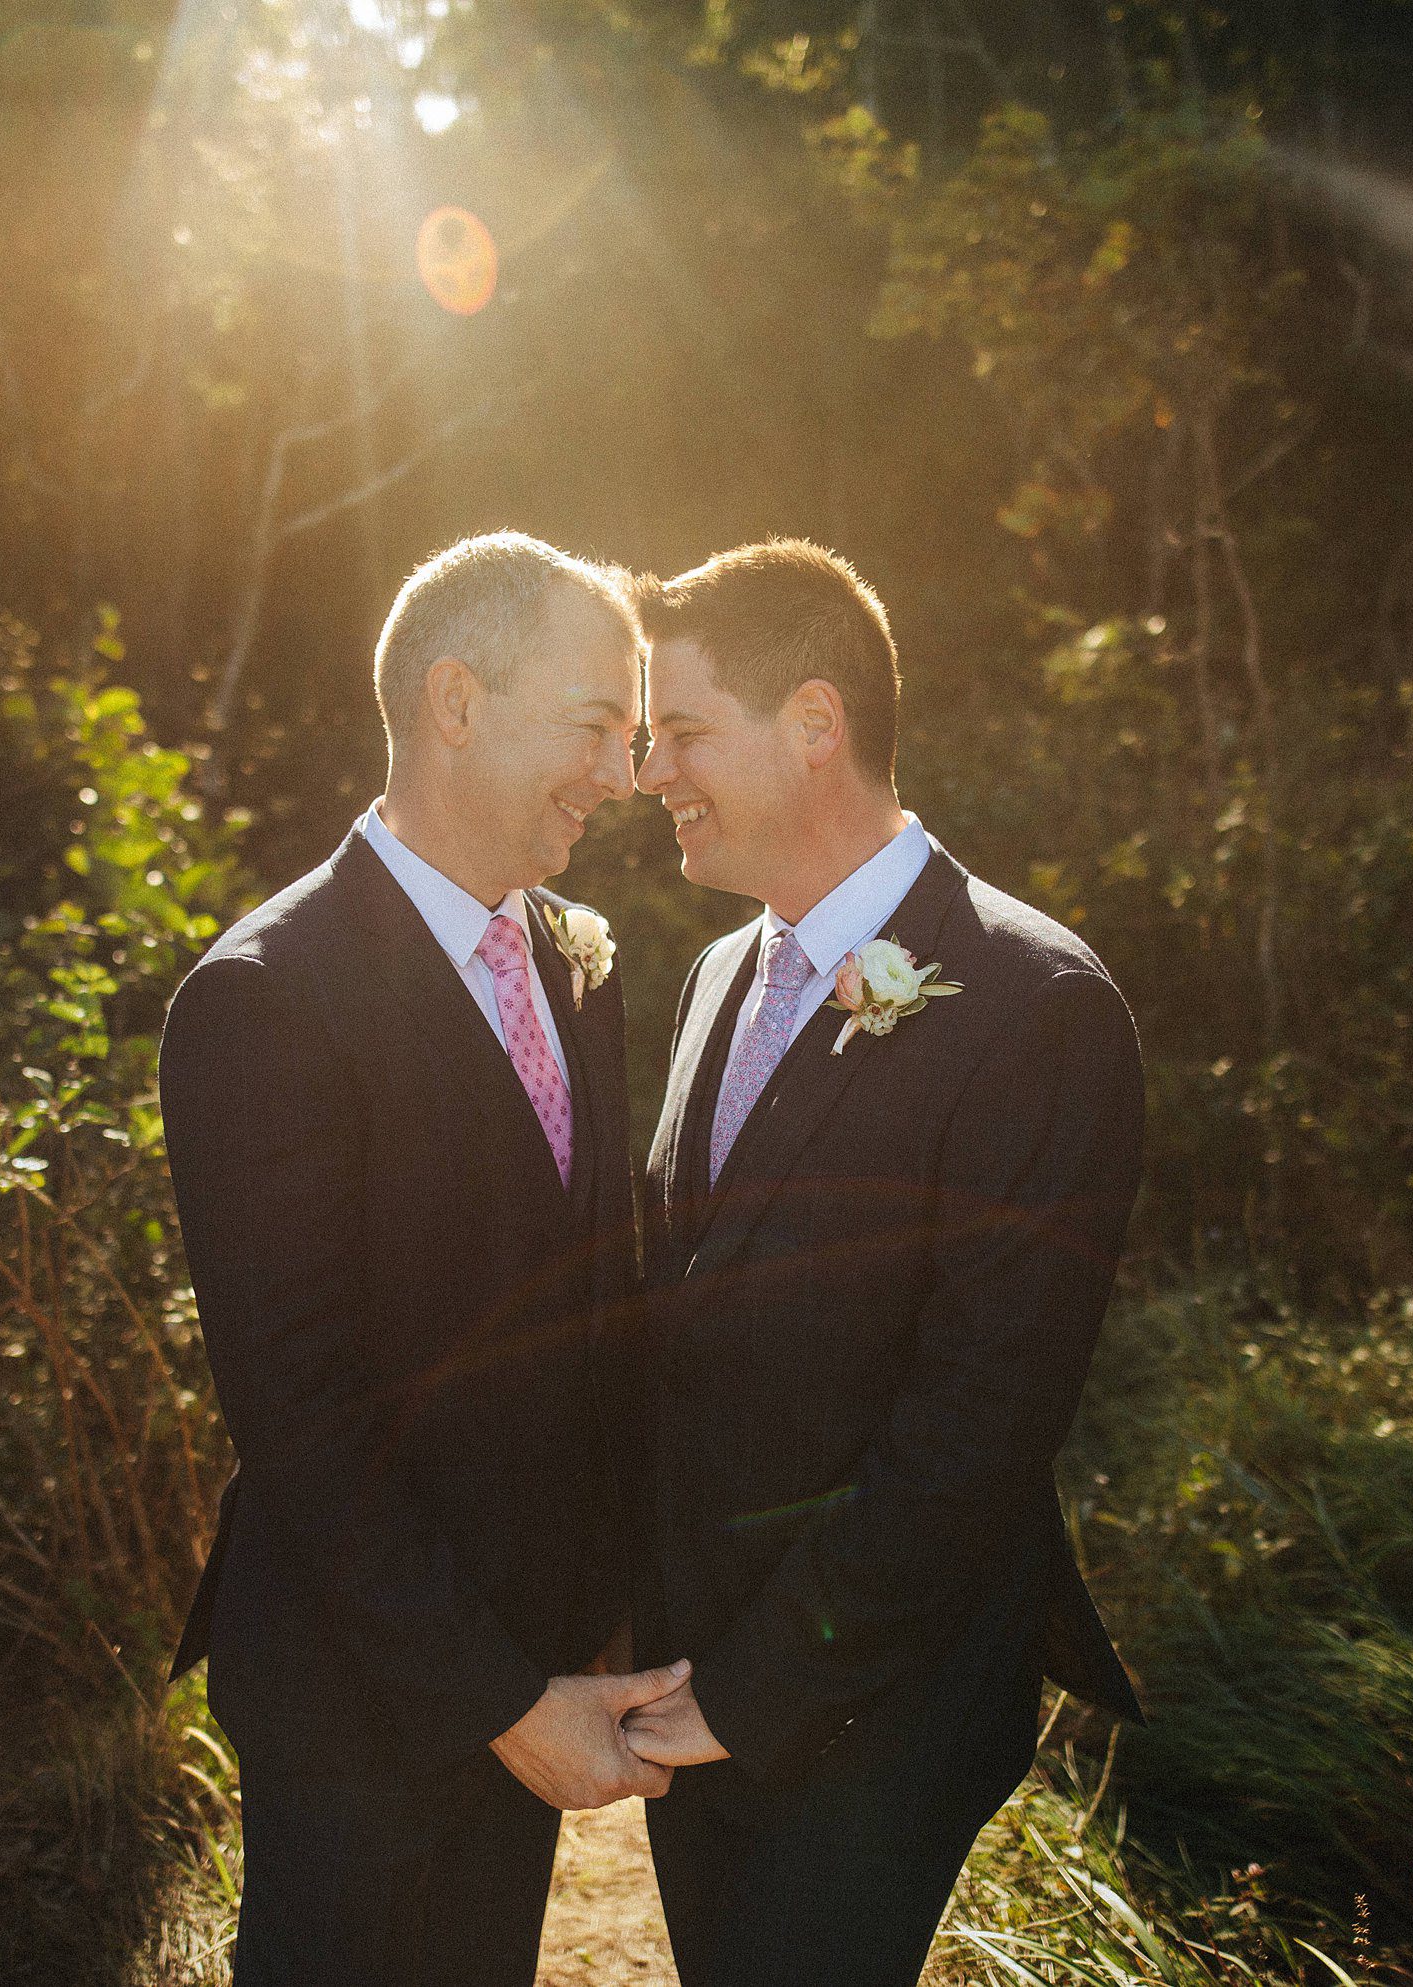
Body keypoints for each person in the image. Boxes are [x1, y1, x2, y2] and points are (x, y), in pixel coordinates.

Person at [618, 539, 1148, 1986]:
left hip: (873, 1705)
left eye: (680, 732)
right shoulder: (720, 971)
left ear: (813, 724)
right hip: (697, 1682)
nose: (649, 769)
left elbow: (975, 1430)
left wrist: (754, 1688)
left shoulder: (1038, 1008)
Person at [157, 532, 683, 1987]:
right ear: (456, 702)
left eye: (631, 736)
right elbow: (305, 1410)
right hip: (363, 1695)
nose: (623, 773)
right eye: (593, 725)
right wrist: (505, 1700)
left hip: (533, 1663)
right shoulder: (264, 1002)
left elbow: (587, 1313)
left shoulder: (582, 963)